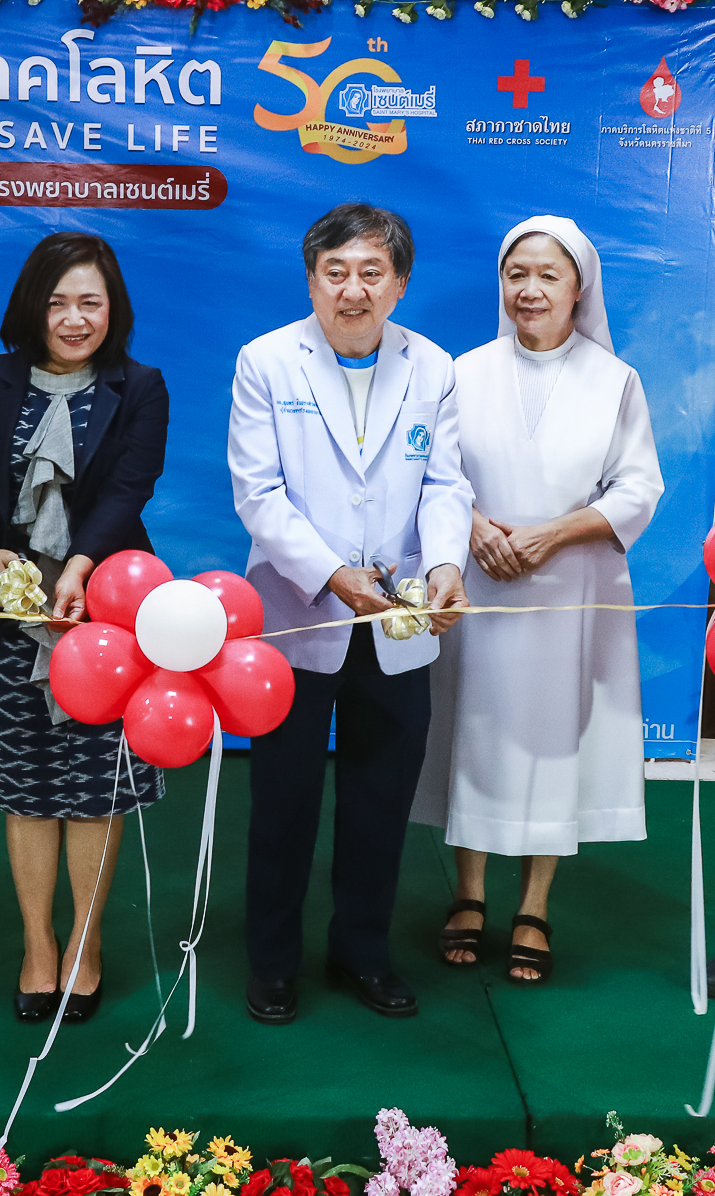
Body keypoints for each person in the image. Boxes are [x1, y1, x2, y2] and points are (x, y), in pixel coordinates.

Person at [227, 202, 473, 1024]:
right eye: (335, 272)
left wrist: (444, 564)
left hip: (398, 621)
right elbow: (259, 495)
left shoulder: (433, 366)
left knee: (380, 797)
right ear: (312, 281)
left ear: (400, 284)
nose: (352, 289)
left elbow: (446, 483)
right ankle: (272, 961)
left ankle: (362, 950)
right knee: (283, 800)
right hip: (298, 617)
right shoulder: (266, 361)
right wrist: (333, 575)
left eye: (372, 272)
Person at [411, 216, 663, 984]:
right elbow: (435, 473)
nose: (530, 289)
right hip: (477, 580)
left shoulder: (614, 380)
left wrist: (554, 533)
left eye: (548, 275)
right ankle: (468, 891)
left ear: (578, 287)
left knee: (553, 739)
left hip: (570, 587)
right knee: (474, 730)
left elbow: (638, 486)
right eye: (516, 273)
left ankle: (535, 903)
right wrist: (473, 528)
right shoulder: (464, 371)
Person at [0, 232, 170, 1027]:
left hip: (104, 606)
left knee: (93, 785)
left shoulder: (141, 386)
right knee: (29, 787)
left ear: (113, 310)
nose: (75, 318)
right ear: (31, 308)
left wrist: (78, 567)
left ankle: (86, 938)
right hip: (11, 609)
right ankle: (38, 942)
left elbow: (129, 490)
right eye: (58, 302)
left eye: (90, 303)